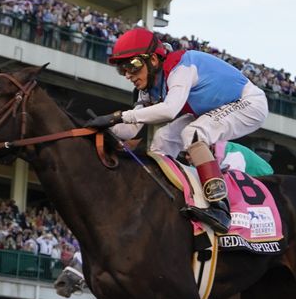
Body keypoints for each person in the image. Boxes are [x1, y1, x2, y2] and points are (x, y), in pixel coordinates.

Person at [88, 27, 269, 233]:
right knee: (163, 138)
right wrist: (98, 128)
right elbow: (130, 130)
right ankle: (158, 197)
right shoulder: (147, 88)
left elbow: (169, 110)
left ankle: (220, 208)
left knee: (194, 133)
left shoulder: (180, 67)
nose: (129, 74)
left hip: (248, 102)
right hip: (211, 109)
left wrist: (118, 116)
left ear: (153, 60)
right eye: (123, 69)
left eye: (133, 66)